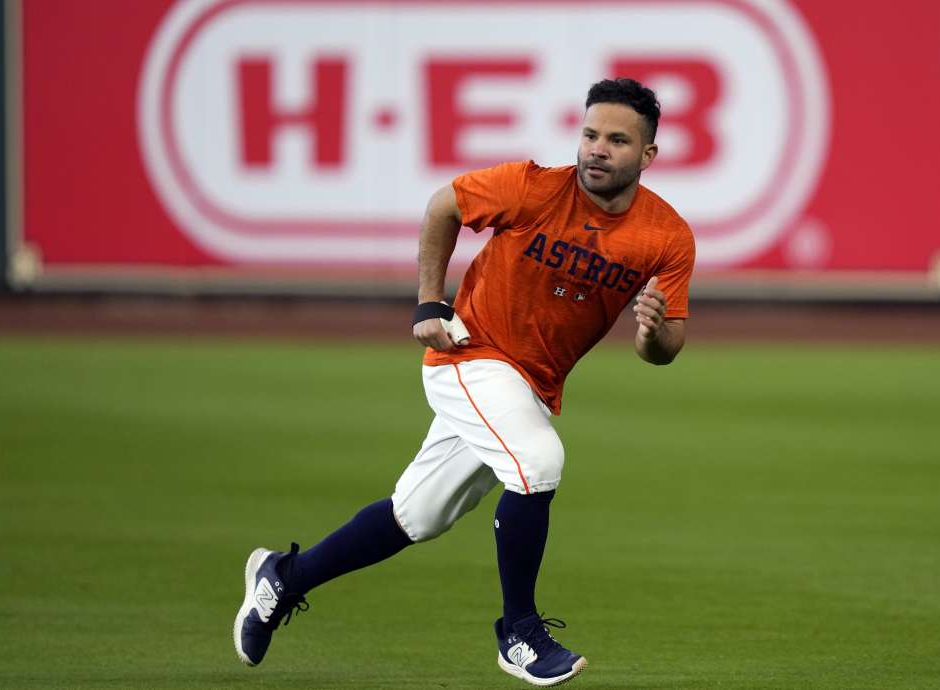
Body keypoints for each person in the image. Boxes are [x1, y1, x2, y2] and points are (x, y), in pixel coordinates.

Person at [233, 77, 695, 687]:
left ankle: (283, 579)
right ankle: (520, 632)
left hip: (529, 383)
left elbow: (664, 349)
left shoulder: (665, 235)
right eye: (589, 134)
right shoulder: (533, 187)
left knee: (415, 517)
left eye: (616, 139)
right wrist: (429, 302)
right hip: (469, 357)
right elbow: (444, 205)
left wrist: (650, 333)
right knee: (538, 460)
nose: (597, 149)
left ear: (647, 155)